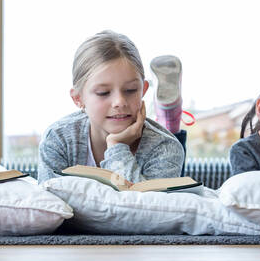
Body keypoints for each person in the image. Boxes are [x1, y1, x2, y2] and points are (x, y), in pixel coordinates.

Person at [36, 30, 184, 184]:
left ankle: (169, 115)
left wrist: (117, 147)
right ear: (78, 98)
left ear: (143, 90)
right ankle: (169, 114)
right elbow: (49, 203)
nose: (119, 101)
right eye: (103, 92)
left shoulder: (166, 148)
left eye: (130, 90)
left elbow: (143, 205)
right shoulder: (57, 139)